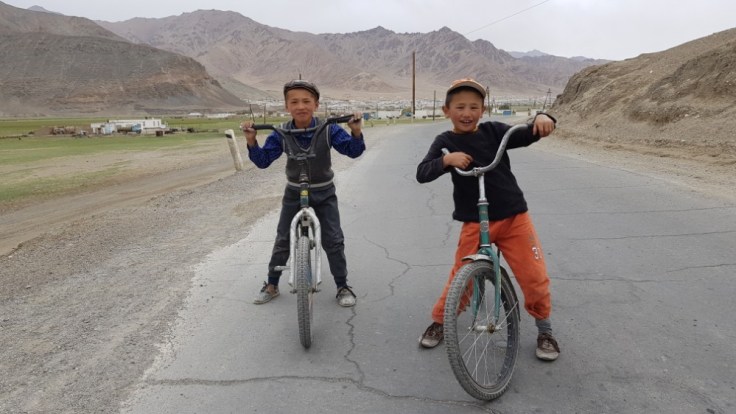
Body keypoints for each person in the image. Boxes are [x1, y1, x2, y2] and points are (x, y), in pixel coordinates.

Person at [415, 78, 560, 361]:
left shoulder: (494, 131)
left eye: (474, 107)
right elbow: (422, 173)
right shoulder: (445, 142)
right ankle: (441, 321)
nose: (466, 113)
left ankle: (545, 330)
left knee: (534, 276)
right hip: (475, 221)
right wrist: (446, 161)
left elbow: (527, 133)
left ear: (483, 110)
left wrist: (544, 118)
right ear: (446, 111)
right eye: (459, 107)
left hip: (513, 217)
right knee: (462, 276)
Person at [240, 79, 365, 307]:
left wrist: (356, 132)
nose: (301, 106)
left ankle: (342, 286)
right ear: (287, 106)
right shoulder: (281, 132)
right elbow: (263, 161)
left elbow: (353, 151)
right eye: (294, 102)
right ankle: (272, 284)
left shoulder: (329, 129)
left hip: (324, 192)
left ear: (316, 105)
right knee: (283, 239)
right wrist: (251, 141)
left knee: (334, 240)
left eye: (306, 101)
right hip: (294, 192)